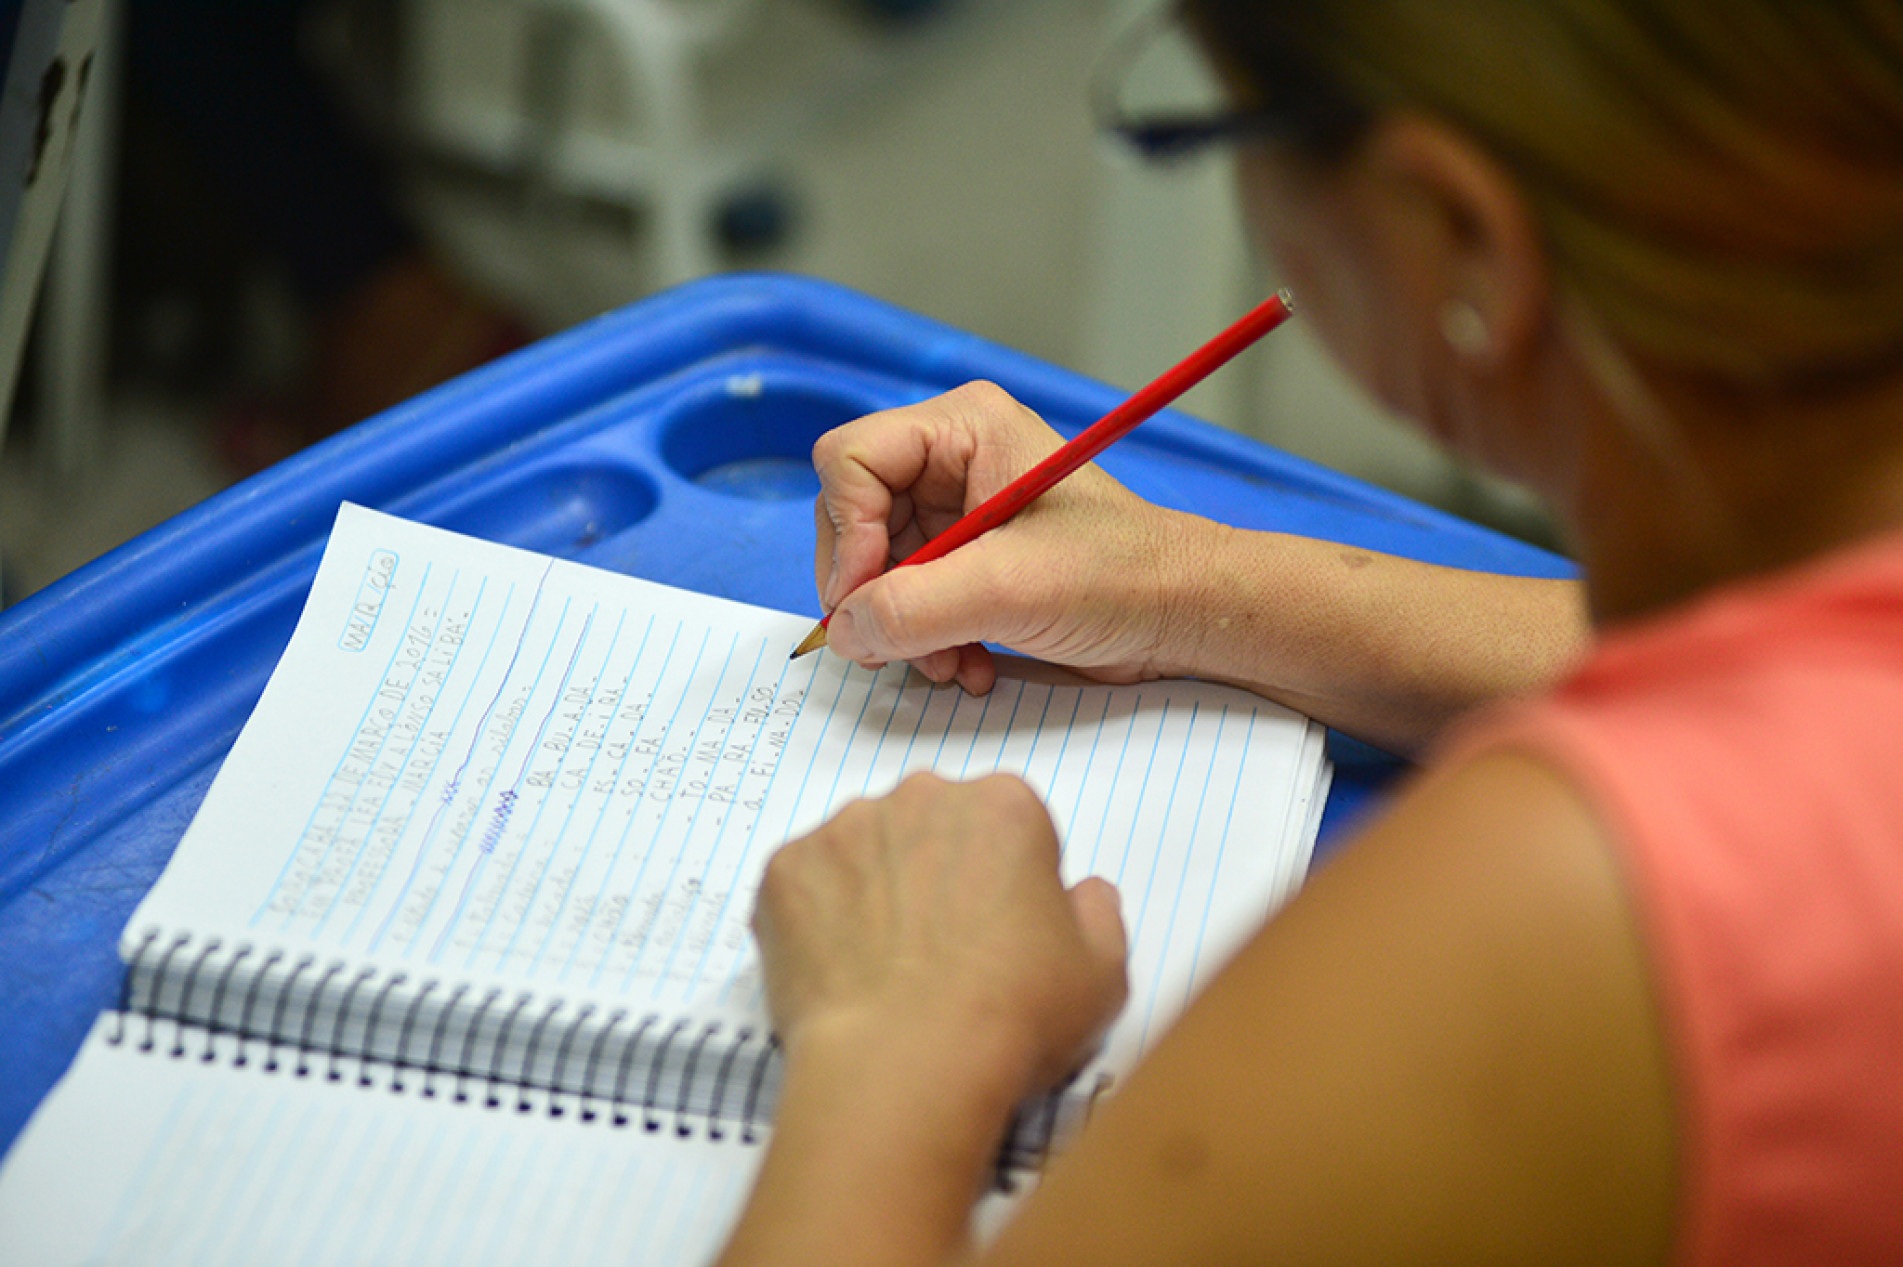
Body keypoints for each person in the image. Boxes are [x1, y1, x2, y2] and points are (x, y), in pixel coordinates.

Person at [719, 2, 1903, 1263]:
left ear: (1455, 235)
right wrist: (1184, 582)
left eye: (1227, 129)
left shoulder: (1563, 922)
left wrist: (892, 1049)